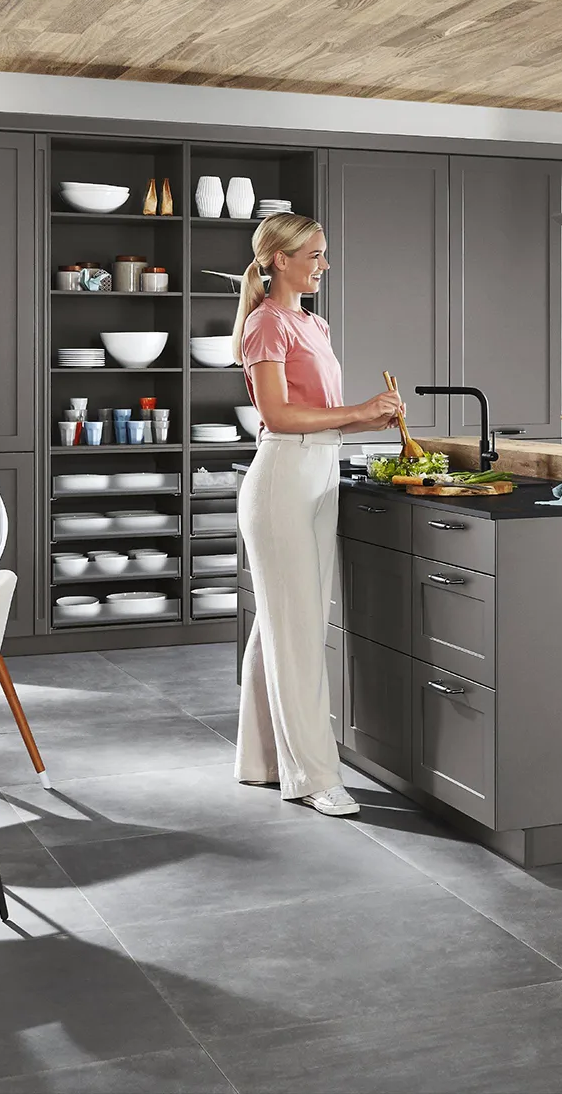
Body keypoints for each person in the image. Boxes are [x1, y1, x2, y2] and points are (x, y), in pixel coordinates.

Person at [230, 214, 404, 817]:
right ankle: (313, 777)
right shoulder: (265, 324)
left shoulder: (313, 323)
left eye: (324, 254)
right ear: (280, 259)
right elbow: (277, 415)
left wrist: (365, 416)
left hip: (319, 473)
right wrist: (358, 412)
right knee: (299, 633)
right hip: (282, 477)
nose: (324, 264)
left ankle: (259, 759)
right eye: (314, 255)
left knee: (281, 624)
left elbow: (321, 411)